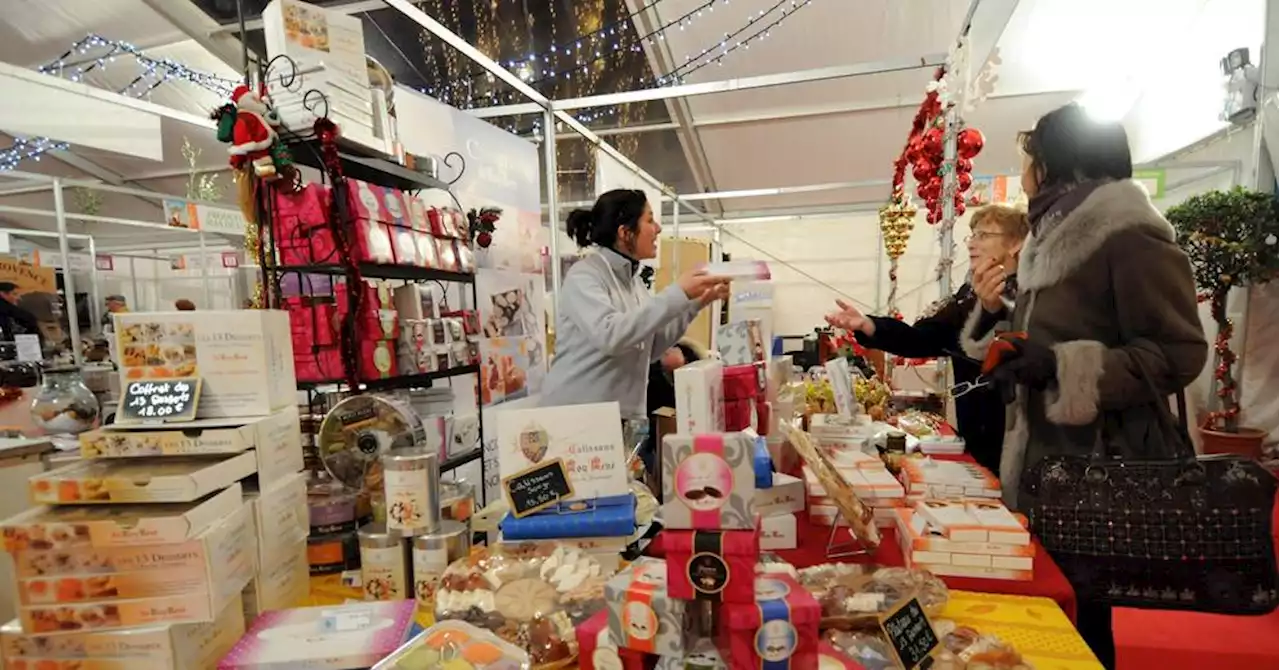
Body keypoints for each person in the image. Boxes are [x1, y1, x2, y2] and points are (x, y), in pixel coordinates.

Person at [960, 103, 1207, 669]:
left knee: (1085, 615)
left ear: (1052, 164)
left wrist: (1059, 366)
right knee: (1057, 609)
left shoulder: (1129, 233)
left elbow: (1178, 351)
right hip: (1048, 457)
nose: (1023, 174)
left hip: (1097, 465)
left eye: (1028, 160)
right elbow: (1050, 333)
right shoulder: (1053, 233)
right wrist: (1008, 337)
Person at [824, 204, 1029, 474]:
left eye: (983, 235)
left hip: (1015, 436)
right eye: (972, 235)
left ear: (1015, 244)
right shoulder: (969, 294)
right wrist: (869, 325)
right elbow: (923, 338)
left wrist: (991, 312)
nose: (972, 244)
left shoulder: (1029, 297)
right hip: (975, 430)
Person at [541, 189, 730, 434]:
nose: (658, 228)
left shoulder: (634, 282)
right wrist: (677, 292)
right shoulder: (585, 275)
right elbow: (611, 336)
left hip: (615, 419)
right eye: (650, 220)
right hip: (575, 419)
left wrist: (696, 302)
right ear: (625, 232)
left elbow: (650, 347)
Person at [0, 282, 41, 352]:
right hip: (16, 348)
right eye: (14, 294)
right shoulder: (11, 312)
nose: (18, 298)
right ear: (2, 294)